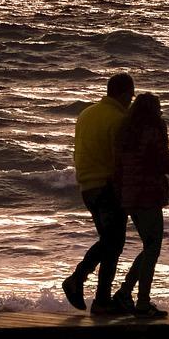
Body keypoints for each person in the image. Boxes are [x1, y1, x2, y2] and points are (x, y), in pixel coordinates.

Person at [63, 73, 135, 315]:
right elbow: (121, 160)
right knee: (113, 242)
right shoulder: (119, 119)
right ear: (124, 94)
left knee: (110, 242)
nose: (130, 101)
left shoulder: (86, 114)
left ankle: (102, 301)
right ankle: (78, 279)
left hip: (87, 187)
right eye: (130, 96)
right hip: (107, 187)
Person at [110, 92, 169, 319]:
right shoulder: (153, 130)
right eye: (159, 109)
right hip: (148, 194)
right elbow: (165, 161)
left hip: (129, 195)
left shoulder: (126, 132)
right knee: (153, 247)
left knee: (149, 245)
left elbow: (119, 166)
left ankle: (125, 292)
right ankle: (142, 303)